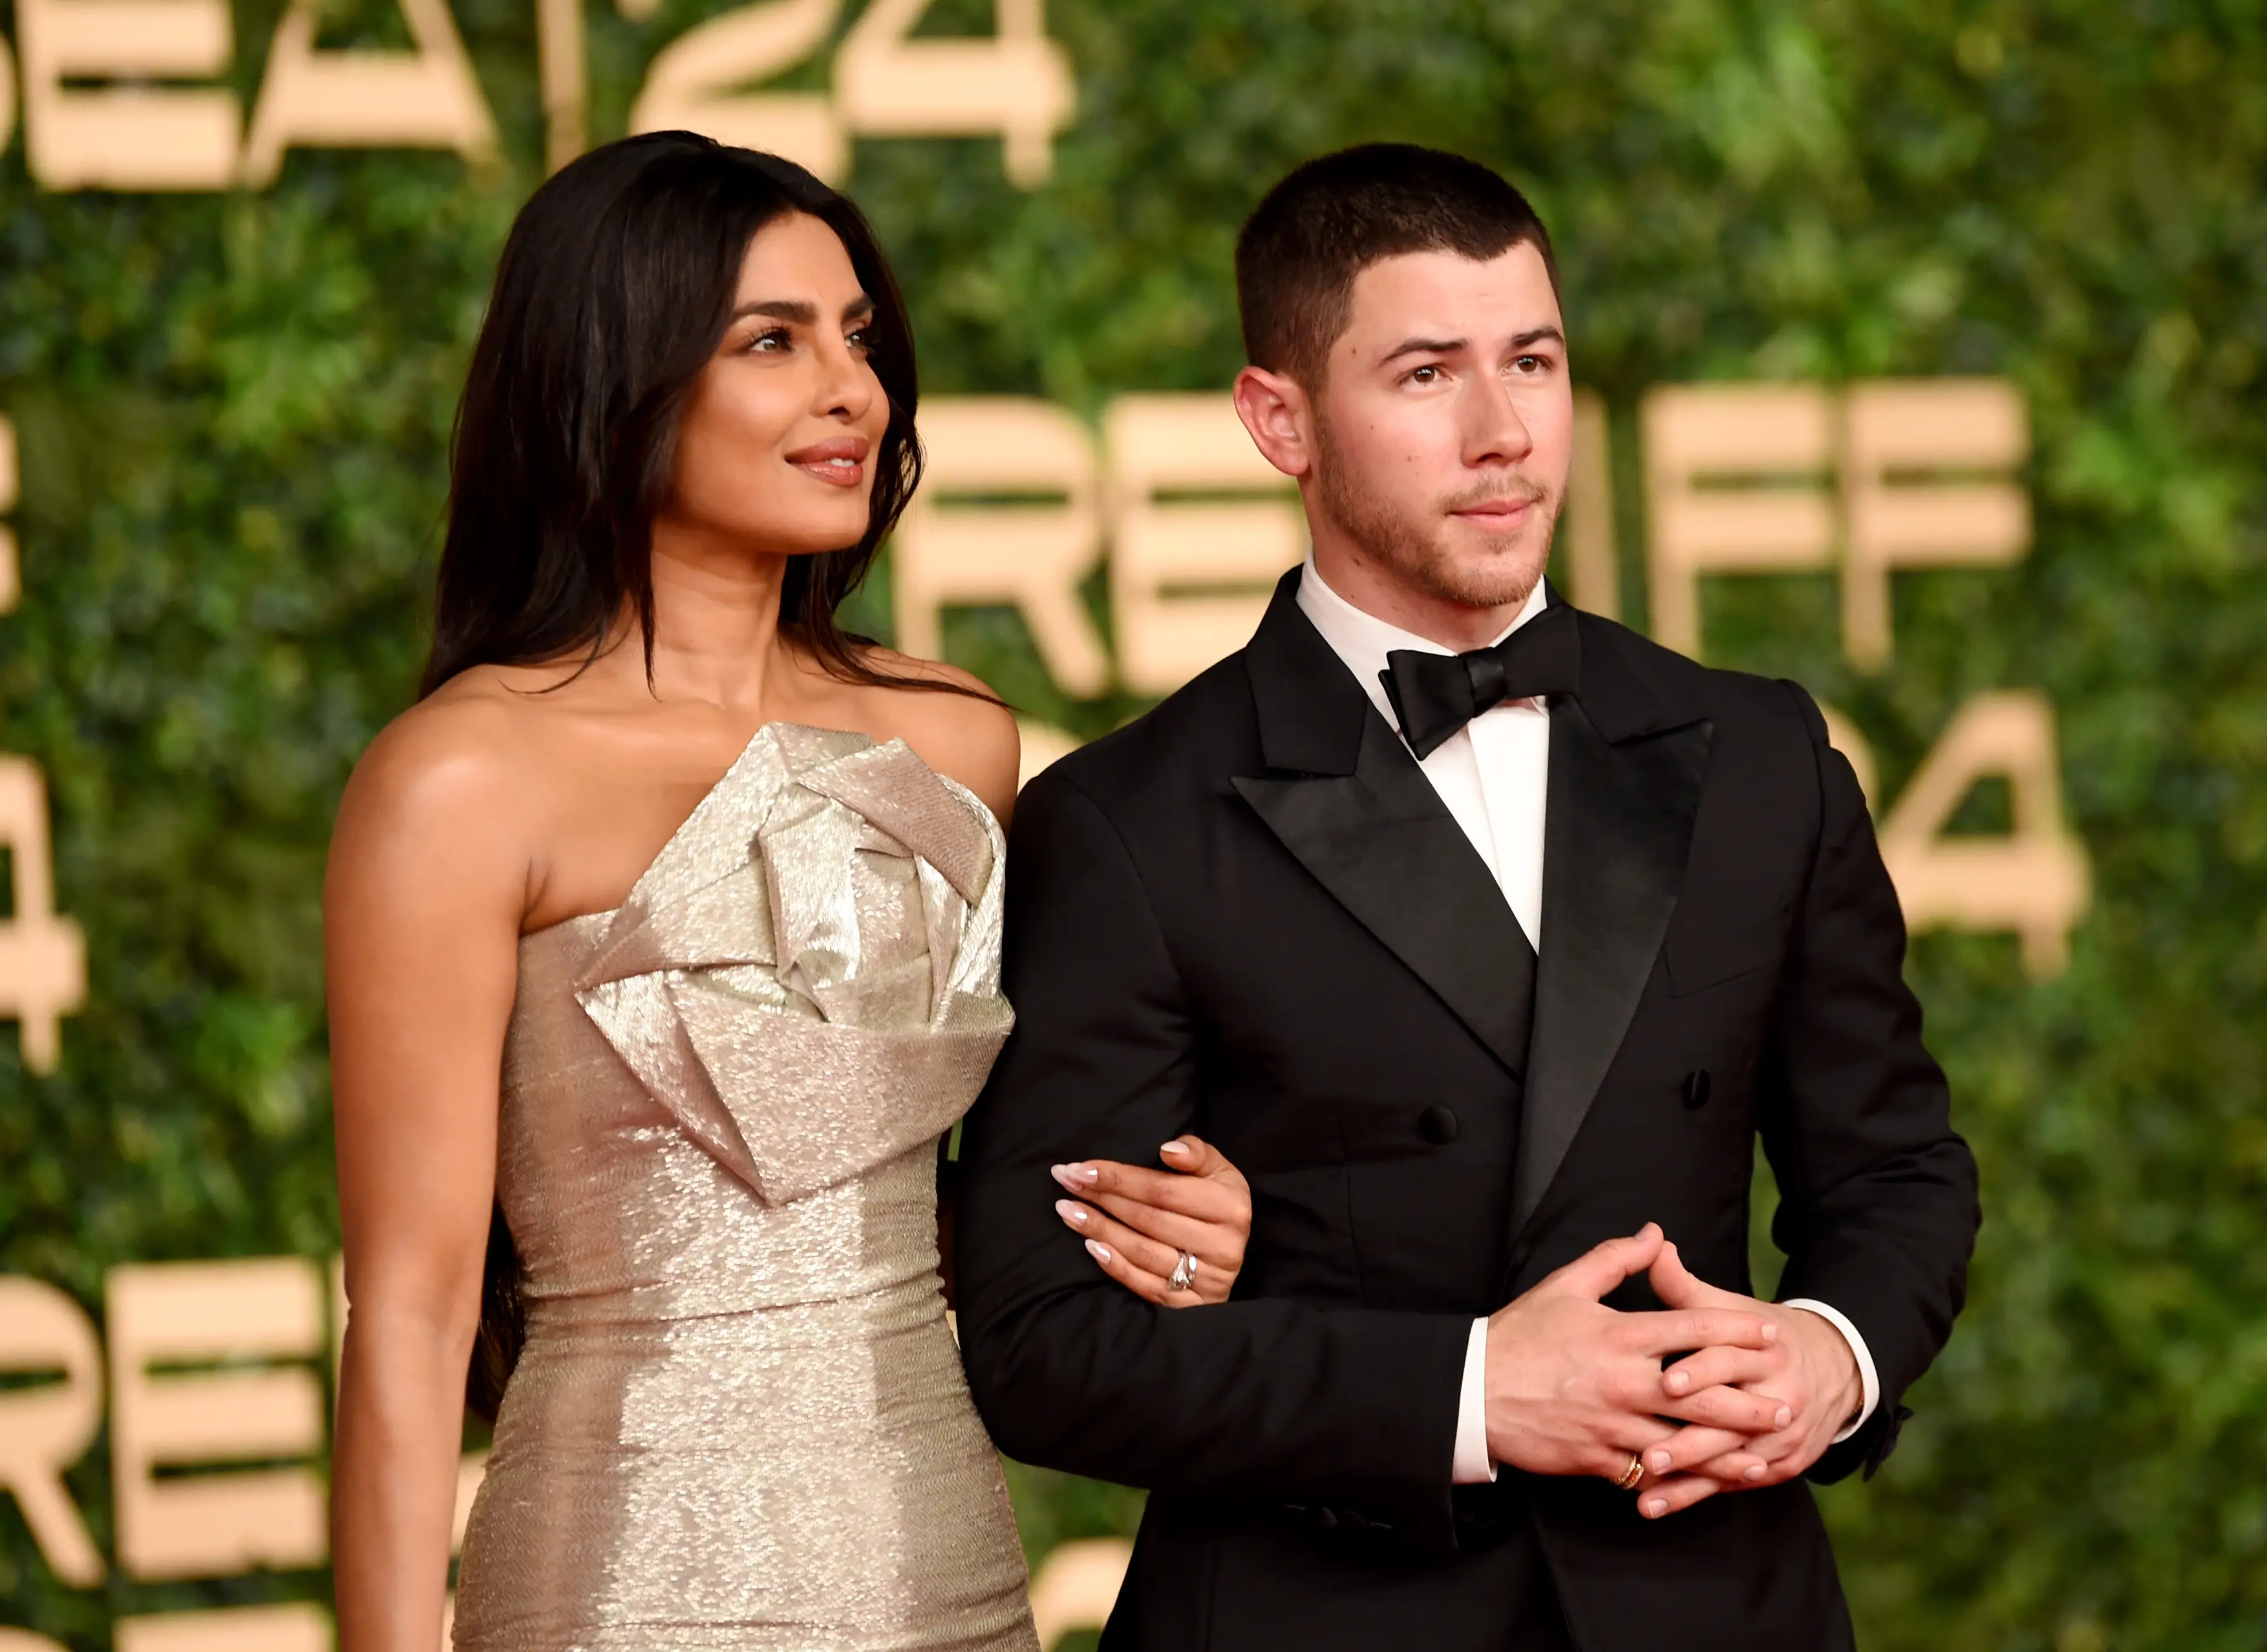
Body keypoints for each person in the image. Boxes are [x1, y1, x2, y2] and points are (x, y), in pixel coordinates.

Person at [953, 143, 1981, 1651]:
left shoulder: (1761, 754)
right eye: (1426, 374)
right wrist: (1471, 1392)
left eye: (1535, 361)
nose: (1504, 435)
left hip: (1711, 1601)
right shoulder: (1127, 822)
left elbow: (1894, 1175)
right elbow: (1043, 1345)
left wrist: (1828, 1356)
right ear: (1278, 419)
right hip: (1319, 1616)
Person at [323, 133, 1252, 1652]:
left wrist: (1177, 1224)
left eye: (861, 339)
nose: (855, 393)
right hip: (617, 1580)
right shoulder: (460, 779)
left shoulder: (955, 738)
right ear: (612, 378)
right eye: (775, 341)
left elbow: (984, 1201)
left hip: (937, 1560)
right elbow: (413, 1323)